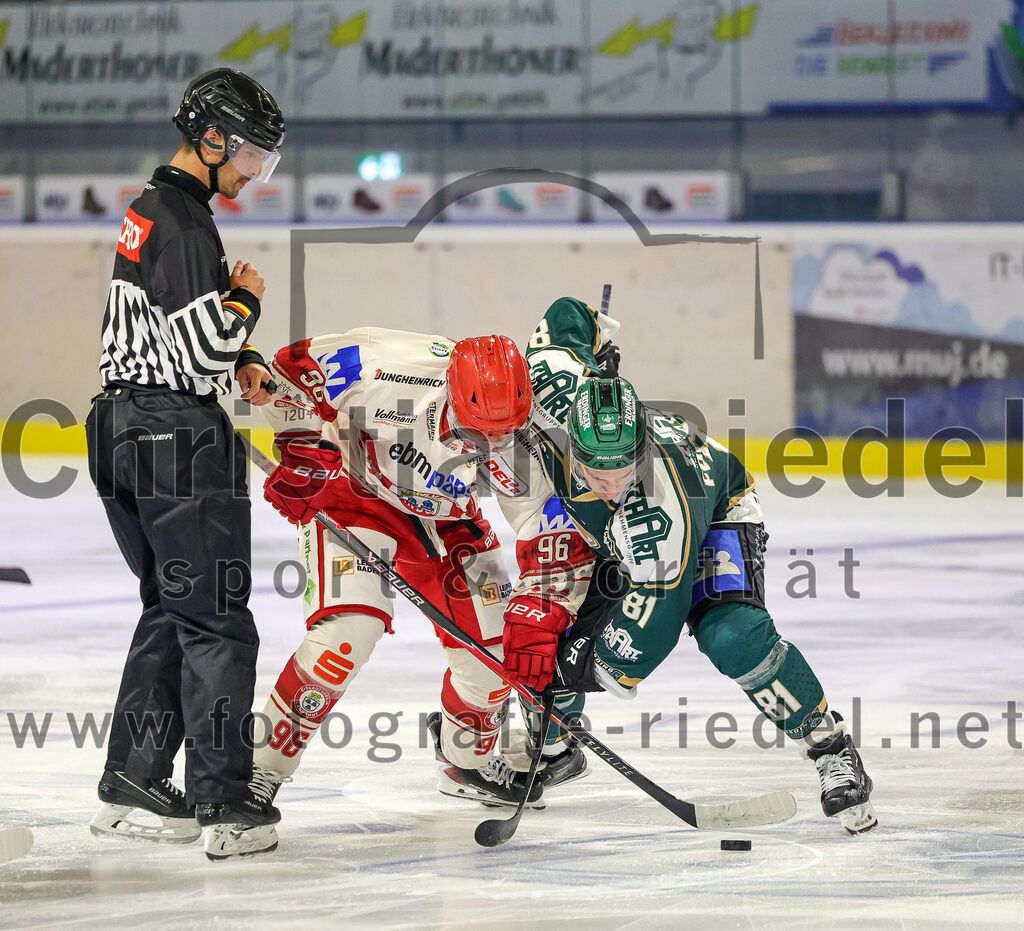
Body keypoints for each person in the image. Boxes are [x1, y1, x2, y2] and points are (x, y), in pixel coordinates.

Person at [206, 327, 594, 858]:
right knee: (348, 634)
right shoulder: (381, 367)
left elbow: (544, 531)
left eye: (501, 435)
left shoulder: (523, 445)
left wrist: (541, 614)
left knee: (496, 650)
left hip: (446, 520)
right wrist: (303, 450)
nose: (486, 449)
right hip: (353, 498)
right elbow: (287, 376)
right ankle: (254, 778)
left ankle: (467, 760)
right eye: (475, 430)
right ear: (451, 394)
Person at [499, 297, 877, 834]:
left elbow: (654, 624)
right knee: (552, 622)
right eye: (594, 470)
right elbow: (564, 318)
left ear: (642, 450)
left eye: (623, 468)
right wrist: (597, 331)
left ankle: (829, 746)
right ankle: (554, 746)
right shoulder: (550, 391)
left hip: (715, 512)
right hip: (623, 536)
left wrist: (584, 667)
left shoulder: (654, 512)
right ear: (571, 443)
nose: (609, 484)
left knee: (732, 636)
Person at [85, 68, 286, 859]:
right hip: (173, 435)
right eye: (249, 156)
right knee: (217, 619)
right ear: (211, 138)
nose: (252, 173)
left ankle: (133, 775)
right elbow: (203, 337)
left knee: (172, 606)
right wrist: (246, 303)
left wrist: (244, 355)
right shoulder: (185, 222)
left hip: (119, 427)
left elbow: (175, 331)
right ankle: (225, 802)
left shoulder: (153, 210)